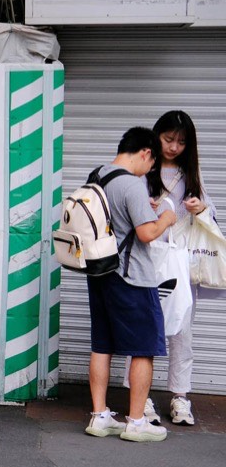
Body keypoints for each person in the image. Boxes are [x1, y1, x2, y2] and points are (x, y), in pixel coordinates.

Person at [84, 127, 177, 444]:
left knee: (102, 344)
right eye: (151, 165)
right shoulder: (132, 184)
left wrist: (143, 211)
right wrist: (166, 215)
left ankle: (99, 416)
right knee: (144, 348)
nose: (148, 171)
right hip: (131, 276)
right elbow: (147, 234)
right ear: (146, 153)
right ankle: (136, 421)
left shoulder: (96, 176)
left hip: (99, 273)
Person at [145, 110, 213, 427]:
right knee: (145, 325)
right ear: (157, 136)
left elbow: (209, 214)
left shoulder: (190, 173)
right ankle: (141, 397)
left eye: (181, 142)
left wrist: (200, 209)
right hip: (148, 256)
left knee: (182, 330)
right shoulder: (144, 168)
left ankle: (180, 397)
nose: (173, 147)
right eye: (168, 139)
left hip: (181, 260)